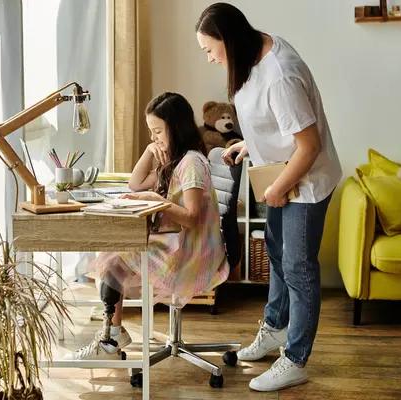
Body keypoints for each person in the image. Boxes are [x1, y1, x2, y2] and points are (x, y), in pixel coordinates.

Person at [195, 2, 342, 392]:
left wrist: (277, 188)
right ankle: (276, 328)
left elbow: (308, 147)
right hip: (280, 172)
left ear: (227, 40)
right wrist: (250, 143)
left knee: (298, 267)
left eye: (210, 50)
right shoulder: (253, 54)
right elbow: (280, 123)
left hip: (304, 182)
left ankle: (295, 359)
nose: (209, 59)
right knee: (276, 254)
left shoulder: (280, 74)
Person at [66, 92, 230, 361]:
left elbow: (191, 217)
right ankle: (112, 333)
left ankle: (111, 337)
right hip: (180, 240)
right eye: (151, 132)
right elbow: (135, 183)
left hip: (193, 251)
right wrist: (149, 151)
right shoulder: (175, 161)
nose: (154, 138)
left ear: (176, 128)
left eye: (157, 132)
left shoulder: (191, 164)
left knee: (115, 258)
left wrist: (156, 200)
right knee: (115, 253)